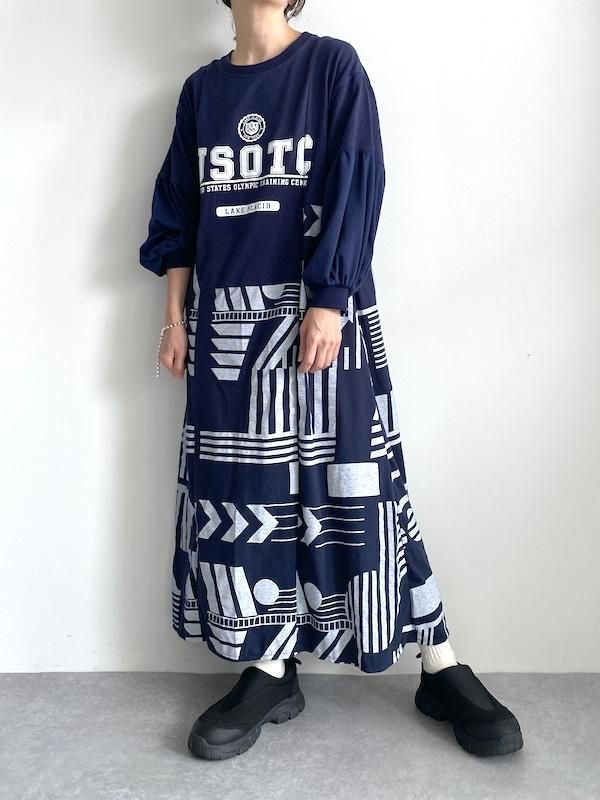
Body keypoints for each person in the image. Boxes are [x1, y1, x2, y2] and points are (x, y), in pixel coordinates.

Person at [139, 0, 523, 761]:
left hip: (320, 313)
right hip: (226, 329)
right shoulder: (202, 92)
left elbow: (358, 180)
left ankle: (438, 661)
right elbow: (179, 215)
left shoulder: (330, 66)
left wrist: (329, 300)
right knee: (243, 502)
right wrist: (174, 321)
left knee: (359, 489)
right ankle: (270, 666)